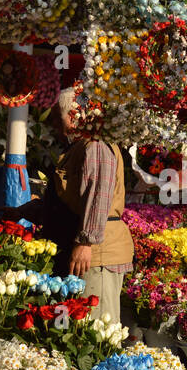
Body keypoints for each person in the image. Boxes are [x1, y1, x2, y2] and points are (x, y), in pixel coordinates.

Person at [8, 88, 133, 322]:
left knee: (96, 329)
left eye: (59, 115)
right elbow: (64, 202)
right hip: (83, 250)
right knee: (76, 328)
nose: (54, 122)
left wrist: (86, 242)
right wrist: (19, 213)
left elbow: (99, 196)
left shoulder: (95, 145)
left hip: (98, 254)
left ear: (76, 114)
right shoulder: (78, 147)